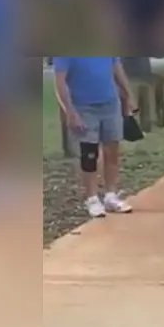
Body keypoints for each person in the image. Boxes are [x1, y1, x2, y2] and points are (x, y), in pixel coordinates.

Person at [52, 57, 136, 217]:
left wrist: (128, 94)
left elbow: (116, 67)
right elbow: (60, 82)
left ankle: (111, 196)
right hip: (83, 107)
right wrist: (70, 112)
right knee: (89, 154)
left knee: (112, 150)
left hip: (110, 103)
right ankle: (92, 199)